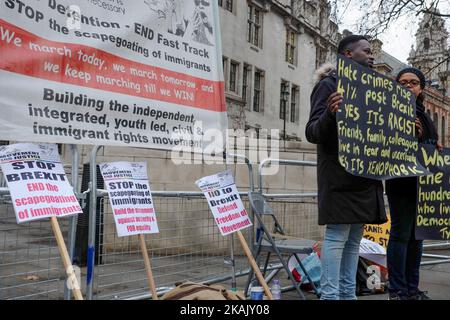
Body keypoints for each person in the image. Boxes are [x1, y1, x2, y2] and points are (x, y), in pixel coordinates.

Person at [305, 35, 387, 300]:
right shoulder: (328, 86)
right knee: (337, 237)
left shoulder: (371, 89)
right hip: (340, 177)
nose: (372, 55)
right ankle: (330, 295)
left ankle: (348, 294)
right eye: (366, 50)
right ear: (348, 55)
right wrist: (330, 114)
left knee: (354, 241)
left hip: (364, 178)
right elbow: (312, 131)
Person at [386, 67, 443, 300]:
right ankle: (397, 289)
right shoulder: (390, 109)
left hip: (424, 183)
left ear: (421, 88)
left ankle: (412, 288)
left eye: (413, 82)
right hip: (401, 181)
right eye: (403, 82)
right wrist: (411, 135)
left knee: (416, 237)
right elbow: (386, 141)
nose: (408, 86)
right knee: (400, 234)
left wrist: (435, 146)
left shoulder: (424, 113)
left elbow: (428, 141)